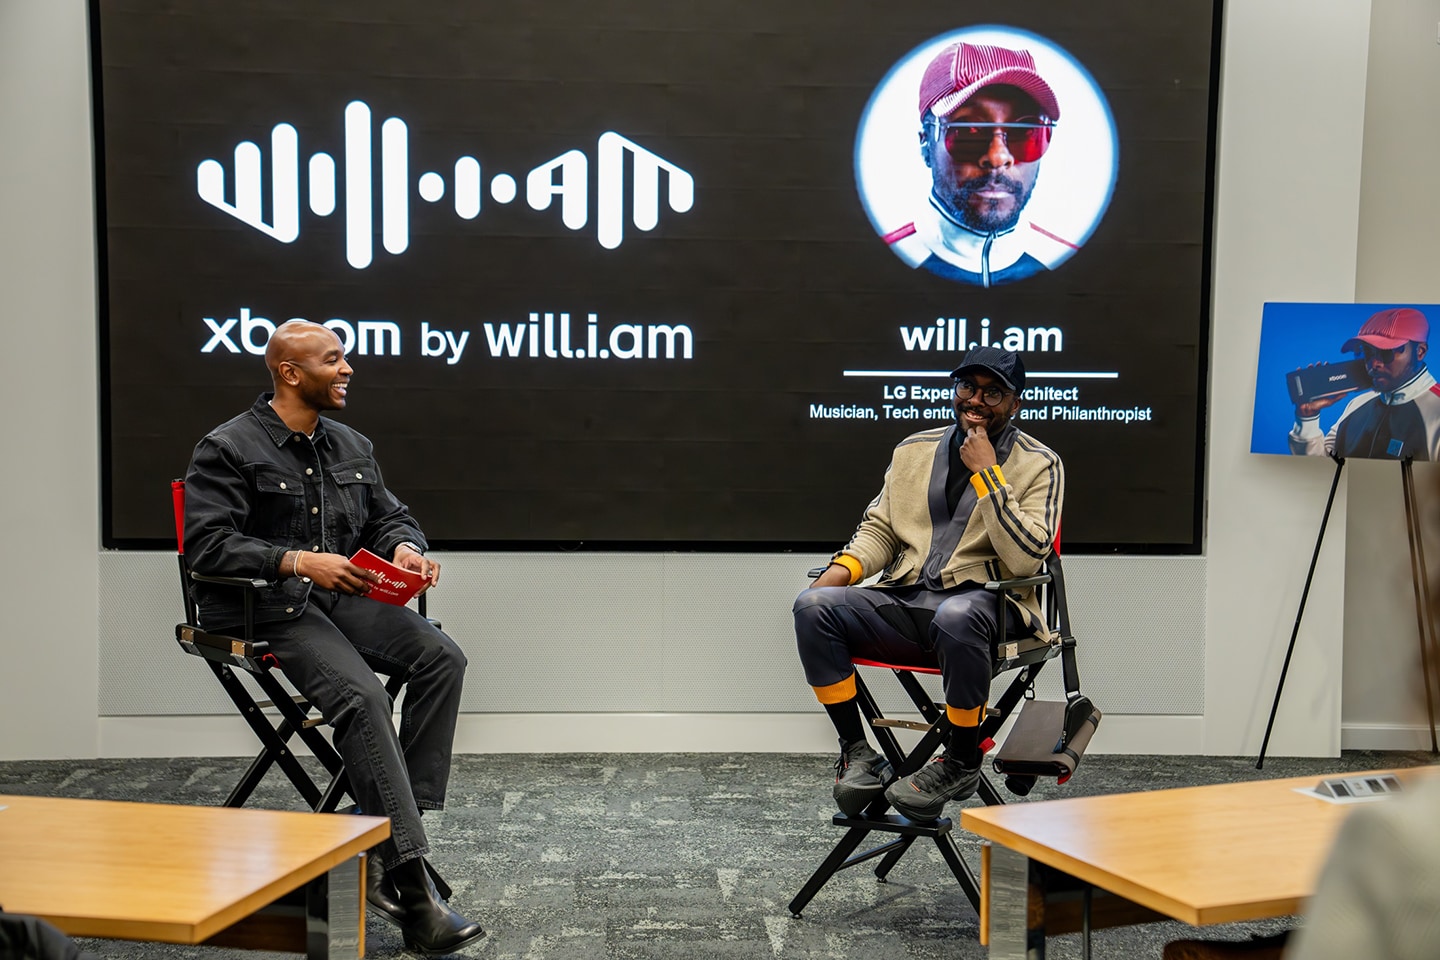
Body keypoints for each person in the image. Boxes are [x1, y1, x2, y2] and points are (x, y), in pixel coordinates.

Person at [183, 320, 485, 956]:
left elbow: (389, 516)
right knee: (363, 698)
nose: (347, 369)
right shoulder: (229, 448)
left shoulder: (350, 444)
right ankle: (410, 889)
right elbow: (207, 546)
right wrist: (296, 560)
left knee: (440, 658)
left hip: (334, 599)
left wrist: (405, 548)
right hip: (260, 609)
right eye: (333, 360)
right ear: (290, 373)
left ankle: (382, 832)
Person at [794, 345, 1063, 820]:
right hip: (910, 601)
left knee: (955, 614)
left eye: (993, 393)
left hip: (990, 612)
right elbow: (879, 531)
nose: (976, 401)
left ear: (1015, 403)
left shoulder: (1040, 463)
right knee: (813, 608)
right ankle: (857, 751)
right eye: (968, 388)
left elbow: (1026, 559)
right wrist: (833, 579)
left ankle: (961, 759)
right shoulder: (912, 450)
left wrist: (989, 476)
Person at [885, 41, 1077, 287]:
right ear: (926, 146)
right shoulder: (871, 271)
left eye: (1024, 131)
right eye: (969, 131)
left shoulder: (1081, 272)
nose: (998, 157)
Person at [1289, 307, 1440, 460]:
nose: (1373, 363)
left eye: (1386, 352)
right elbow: (1323, 470)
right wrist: (1307, 418)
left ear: (1420, 351)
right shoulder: (1357, 404)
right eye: (1367, 352)